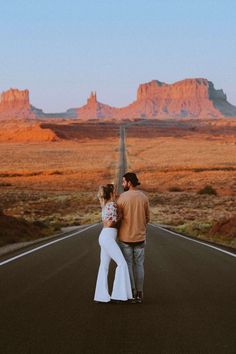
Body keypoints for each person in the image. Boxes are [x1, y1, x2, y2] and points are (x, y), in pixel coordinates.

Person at [94, 184, 133, 303]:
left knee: (104, 267)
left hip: (105, 236)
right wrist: (119, 218)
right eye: (114, 191)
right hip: (108, 237)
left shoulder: (105, 204)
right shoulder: (112, 205)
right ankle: (119, 295)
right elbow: (110, 223)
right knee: (122, 263)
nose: (116, 192)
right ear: (111, 193)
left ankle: (101, 296)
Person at [117, 172, 150, 303]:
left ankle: (132, 292)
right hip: (140, 237)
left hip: (125, 238)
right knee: (140, 265)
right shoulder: (144, 197)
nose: (122, 184)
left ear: (129, 182)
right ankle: (140, 294)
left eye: (124, 181)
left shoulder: (122, 198)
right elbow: (148, 218)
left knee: (129, 265)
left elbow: (118, 218)